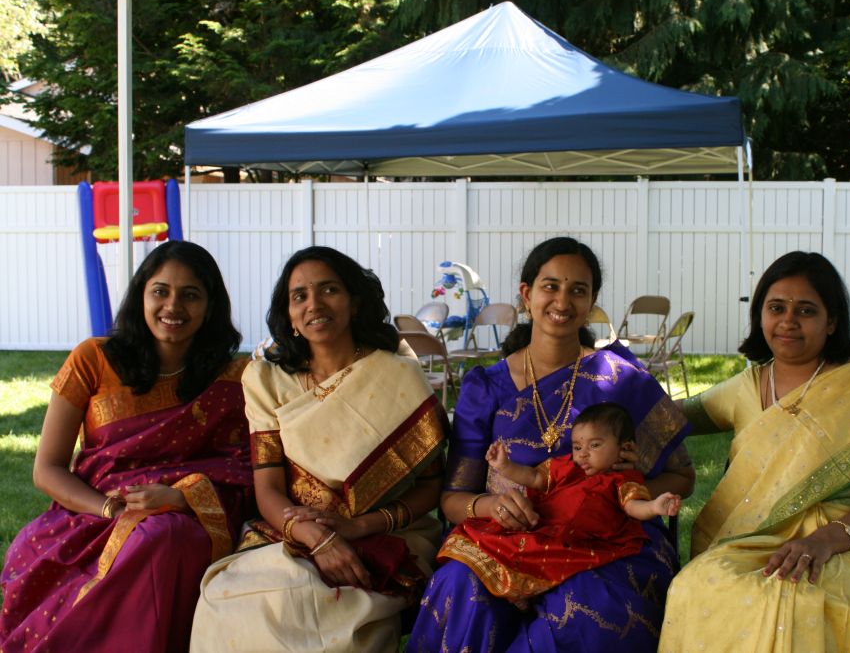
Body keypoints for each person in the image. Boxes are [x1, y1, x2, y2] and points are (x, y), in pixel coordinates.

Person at [658, 251, 850, 652]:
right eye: (776, 308)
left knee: (797, 598)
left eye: (805, 310)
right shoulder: (746, 387)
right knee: (697, 583)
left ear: (831, 321)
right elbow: (665, 418)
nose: (788, 320)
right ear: (760, 315)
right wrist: (607, 395)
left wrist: (824, 541)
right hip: (759, 541)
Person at [409, 236, 695, 652]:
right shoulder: (485, 387)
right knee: (461, 587)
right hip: (506, 537)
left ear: (591, 301)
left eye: (578, 290)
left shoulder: (622, 379)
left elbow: (683, 476)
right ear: (527, 295)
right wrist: (492, 505)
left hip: (605, 538)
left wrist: (619, 493)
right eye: (551, 286)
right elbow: (453, 498)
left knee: (588, 608)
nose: (563, 300)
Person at [190, 246, 448, 653]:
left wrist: (359, 528)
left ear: (354, 302)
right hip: (293, 530)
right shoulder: (266, 379)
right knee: (227, 601)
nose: (314, 304)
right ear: (290, 315)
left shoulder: (398, 372)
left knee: (325, 610)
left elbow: (432, 486)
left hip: (385, 533)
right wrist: (316, 538)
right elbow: (268, 487)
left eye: (329, 289)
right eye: (300, 296)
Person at [0, 240, 254, 653]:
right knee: (143, 538)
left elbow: (245, 469)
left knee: (163, 537)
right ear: (141, 296)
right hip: (93, 513)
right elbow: (47, 468)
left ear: (211, 307)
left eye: (191, 295)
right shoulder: (93, 359)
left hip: (184, 517)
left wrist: (182, 497)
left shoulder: (234, 378)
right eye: (161, 291)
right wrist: (112, 510)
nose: (173, 306)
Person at [439, 402, 682, 603]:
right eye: (577, 446)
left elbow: (632, 506)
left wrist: (654, 507)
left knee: (551, 562)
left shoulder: (621, 480)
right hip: (547, 525)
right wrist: (504, 466)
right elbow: (533, 478)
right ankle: (515, 589)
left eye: (595, 445)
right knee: (510, 546)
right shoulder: (567, 467)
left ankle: (523, 591)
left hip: (580, 541)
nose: (583, 453)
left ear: (624, 448)